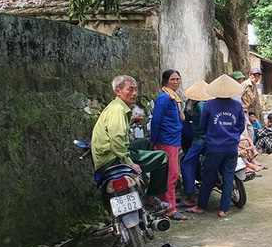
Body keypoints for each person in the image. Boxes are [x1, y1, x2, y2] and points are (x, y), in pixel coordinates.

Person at [91, 75, 170, 212]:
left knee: (144, 142)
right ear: (118, 91)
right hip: (113, 159)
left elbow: (117, 128)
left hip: (107, 156)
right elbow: (117, 141)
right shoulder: (118, 111)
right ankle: (151, 198)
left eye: (136, 89)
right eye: (130, 89)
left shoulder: (117, 107)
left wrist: (133, 119)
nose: (134, 93)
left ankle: (142, 182)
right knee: (162, 158)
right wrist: (129, 162)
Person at [187, 74, 245, 218]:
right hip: (232, 147)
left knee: (208, 177)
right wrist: (232, 134)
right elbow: (241, 126)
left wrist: (214, 133)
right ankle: (224, 210)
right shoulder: (237, 105)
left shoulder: (209, 104)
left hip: (214, 147)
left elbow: (202, 125)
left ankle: (201, 207)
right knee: (228, 177)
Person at [150, 69, 187, 221]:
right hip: (166, 141)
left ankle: (159, 202)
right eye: (173, 79)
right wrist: (153, 141)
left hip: (173, 140)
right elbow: (156, 121)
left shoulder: (173, 97)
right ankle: (170, 209)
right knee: (170, 175)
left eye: (178, 79)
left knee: (169, 174)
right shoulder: (164, 98)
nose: (176, 82)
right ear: (165, 82)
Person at [180, 80, 214, 208]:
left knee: (186, 164)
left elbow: (189, 120)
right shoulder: (210, 103)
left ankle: (190, 197)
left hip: (201, 139)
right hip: (214, 140)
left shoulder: (199, 105)